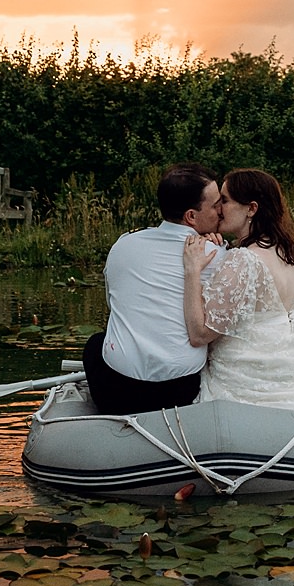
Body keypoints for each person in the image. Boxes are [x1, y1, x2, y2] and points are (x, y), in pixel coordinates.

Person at [182, 168, 294, 412]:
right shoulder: (291, 257)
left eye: (225, 201)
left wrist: (192, 271)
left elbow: (199, 334)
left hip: (247, 377)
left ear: (251, 208)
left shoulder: (243, 260)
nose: (218, 209)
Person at [82, 164, 225, 414]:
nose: (221, 212)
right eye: (216, 205)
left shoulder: (122, 246)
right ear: (191, 216)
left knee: (97, 343)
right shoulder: (217, 256)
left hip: (116, 389)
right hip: (179, 391)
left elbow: (113, 303)